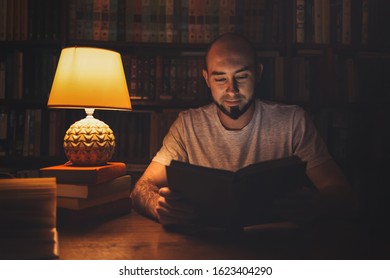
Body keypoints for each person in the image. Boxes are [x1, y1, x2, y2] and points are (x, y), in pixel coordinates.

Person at [130, 33, 356, 226]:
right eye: (220, 78)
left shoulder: (292, 121)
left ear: (258, 73)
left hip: (276, 250)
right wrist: (157, 206)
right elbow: (141, 188)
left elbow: (341, 192)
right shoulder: (188, 125)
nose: (231, 90)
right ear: (206, 79)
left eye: (241, 76)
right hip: (204, 250)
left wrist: (316, 204)